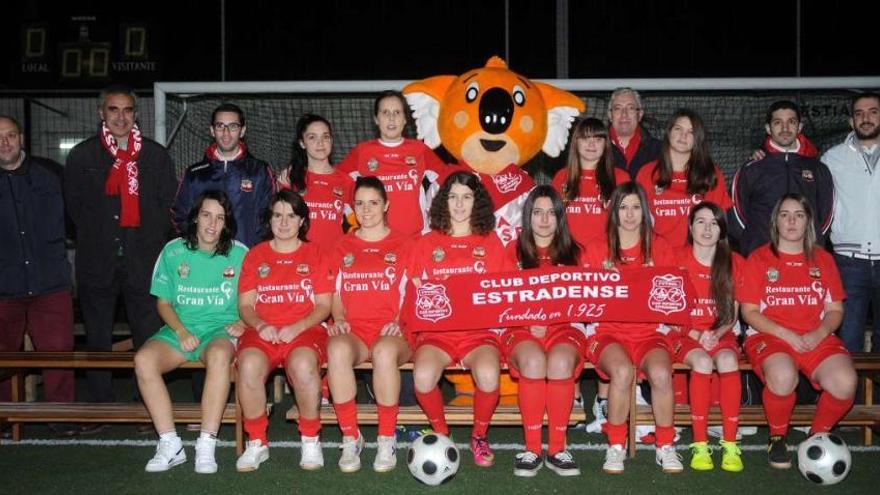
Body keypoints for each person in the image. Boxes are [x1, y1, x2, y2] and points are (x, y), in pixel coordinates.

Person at [63, 84, 178, 403]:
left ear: (135, 115)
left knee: (148, 334)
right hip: (97, 262)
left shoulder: (155, 155)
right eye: (113, 109)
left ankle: (148, 403)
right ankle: (101, 403)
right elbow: (74, 208)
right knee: (97, 335)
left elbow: (168, 206)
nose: (121, 117)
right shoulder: (82, 155)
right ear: (102, 113)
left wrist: (147, 243)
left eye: (127, 110)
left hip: (144, 262)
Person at [740, 193, 856, 469]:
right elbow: (750, 313)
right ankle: (777, 437)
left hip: (815, 336)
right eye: (785, 215)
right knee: (782, 376)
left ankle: (817, 437)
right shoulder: (759, 259)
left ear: (808, 222)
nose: (791, 221)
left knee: (845, 382)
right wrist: (787, 335)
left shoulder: (823, 260)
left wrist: (819, 333)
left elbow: (835, 310)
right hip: (770, 336)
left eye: (799, 215)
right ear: (775, 222)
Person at [135, 190, 247, 473]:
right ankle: (170, 444)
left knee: (221, 355)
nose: (212, 224)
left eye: (220, 218)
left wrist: (246, 323)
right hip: (180, 329)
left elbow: (254, 300)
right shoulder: (173, 251)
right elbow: (163, 303)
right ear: (196, 216)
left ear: (226, 223)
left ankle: (206, 444)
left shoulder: (239, 253)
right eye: (207, 215)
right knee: (143, 360)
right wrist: (181, 331)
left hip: (219, 331)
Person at [583, 181, 682, 474]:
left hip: (650, 332)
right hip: (607, 332)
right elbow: (585, 299)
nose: (629, 214)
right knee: (623, 372)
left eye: (636, 207)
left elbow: (672, 296)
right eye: (623, 207)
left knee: (662, 374)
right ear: (613, 212)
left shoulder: (660, 246)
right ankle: (616, 445)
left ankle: (665, 445)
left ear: (645, 210)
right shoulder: (596, 248)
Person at [409, 171, 507, 467]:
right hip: (438, 333)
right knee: (423, 377)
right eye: (453, 197)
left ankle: (478, 435)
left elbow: (503, 292)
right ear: (443, 201)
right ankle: (441, 433)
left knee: (489, 375)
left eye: (467, 197)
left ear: (476, 202)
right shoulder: (427, 243)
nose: (460, 204)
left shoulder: (490, 241)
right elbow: (414, 290)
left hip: (478, 333)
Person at [233, 190, 332, 472]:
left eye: (291, 216)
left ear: (302, 221)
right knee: (249, 364)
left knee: (302, 366)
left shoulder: (314, 254)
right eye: (278, 215)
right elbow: (245, 305)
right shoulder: (255, 255)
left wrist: (296, 327)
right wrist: (261, 325)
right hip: (262, 331)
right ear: (270, 219)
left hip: (304, 330)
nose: (284, 222)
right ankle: (257, 442)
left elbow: (324, 306)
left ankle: (311, 439)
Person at [326, 177, 411, 473]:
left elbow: (415, 291)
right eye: (359, 204)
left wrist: (400, 321)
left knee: (385, 353)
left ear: (386, 205)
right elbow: (335, 292)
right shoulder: (342, 246)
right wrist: (339, 320)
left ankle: (386, 437)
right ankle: (351, 436)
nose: (366, 210)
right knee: (336, 349)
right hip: (356, 331)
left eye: (373, 203)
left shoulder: (404, 244)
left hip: (392, 330)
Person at [0, 115, 77, 437]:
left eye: (11, 135)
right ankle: (5, 418)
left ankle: (60, 416)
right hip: (4, 286)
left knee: (59, 354)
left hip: (51, 284)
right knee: (3, 357)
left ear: (21, 138)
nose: (5, 142)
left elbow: (76, 220)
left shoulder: (52, 175)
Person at [504, 185, 587, 477]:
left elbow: (586, 302)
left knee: (560, 362)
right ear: (528, 216)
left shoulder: (577, 254)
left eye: (551, 213)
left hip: (564, 327)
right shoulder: (511, 252)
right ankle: (531, 449)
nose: (543, 220)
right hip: (520, 327)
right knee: (535, 361)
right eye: (537, 212)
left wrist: (555, 317)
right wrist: (529, 321)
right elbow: (497, 299)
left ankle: (557, 449)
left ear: (560, 217)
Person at [672, 202, 744, 472]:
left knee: (727, 360)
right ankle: (700, 444)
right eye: (700, 222)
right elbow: (668, 307)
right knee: (702, 363)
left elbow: (732, 314)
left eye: (714, 223)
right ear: (690, 227)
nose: (707, 228)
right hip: (684, 333)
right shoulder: (677, 258)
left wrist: (715, 334)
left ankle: (729, 443)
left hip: (718, 332)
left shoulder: (734, 262)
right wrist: (695, 334)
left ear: (722, 230)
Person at [337, 90, 449, 238]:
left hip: (413, 239)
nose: (391, 118)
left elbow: (449, 179)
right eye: (385, 113)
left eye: (397, 112)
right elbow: (335, 181)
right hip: (375, 239)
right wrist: (351, 211)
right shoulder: (363, 151)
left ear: (405, 119)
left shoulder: (419, 150)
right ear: (376, 119)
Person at [729, 100, 834, 256]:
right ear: (768, 128)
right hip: (762, 259)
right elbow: (736, 214)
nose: (785, 128)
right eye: (778, 122)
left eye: (791, 122)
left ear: (799, 127)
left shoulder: (818, 169)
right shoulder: (751, 168)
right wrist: (756, 245)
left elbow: (826, 215)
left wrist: (814, 242)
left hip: (806, 257)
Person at [822, 91, 880, 353]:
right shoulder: (832, 159)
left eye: (873, 112)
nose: (865, 118)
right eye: (859, 114)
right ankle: (849, 396)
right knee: (848, 341)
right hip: (847, 262)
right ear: (851, 121)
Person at [172, 103, 275, 248]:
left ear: (243, 130)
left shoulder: (260, 171)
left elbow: (271, 216)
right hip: (204, 259)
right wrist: (198, 246)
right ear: (212, 131)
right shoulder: (194, 174)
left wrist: (254, 249)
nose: (226, 132)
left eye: (233, 126)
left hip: (246, 257)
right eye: (220, 126)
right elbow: (179, 215)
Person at [636, 109, 732, 249]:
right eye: (678, 129)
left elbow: (719, 223)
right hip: (658, 256)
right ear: (668, 133)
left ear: (697, 138)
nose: (683, 135)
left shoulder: (711, 174)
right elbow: (637, 222)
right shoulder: (647, 173)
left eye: (691, 132)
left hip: (696, 256)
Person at [278, 113, 354, 253]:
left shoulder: (346, 181)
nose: (320, 143)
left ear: (331, 140)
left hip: (334, 259)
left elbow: (358, 224)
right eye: (312, 137)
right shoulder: (290, 178)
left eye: (325, 137)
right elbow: (280, 224)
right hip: (299, 260)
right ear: (302, 143)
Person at [552, 117, 629, 248]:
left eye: (598, 139)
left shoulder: (621, 178)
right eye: (586, 138)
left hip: (605, 258)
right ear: (576, 142)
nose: (592, 144)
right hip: (568, 256)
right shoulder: (561, 177)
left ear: (606, 144)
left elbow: (630, 224)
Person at [607, 88, 662, 178]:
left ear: (640, 114)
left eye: (631, 108)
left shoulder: (659, 151)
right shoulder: (594, 149)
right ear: (610, 115)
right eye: (618, 108)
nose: (624, 114)